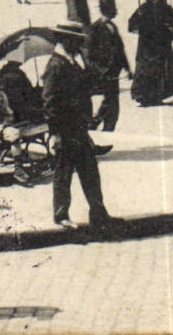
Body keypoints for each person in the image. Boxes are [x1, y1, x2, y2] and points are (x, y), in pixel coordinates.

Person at [42, 21, 115, 232]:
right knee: (64, 173)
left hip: (78, 129)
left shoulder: (72, 62)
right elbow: (49, 102)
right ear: (65, 40)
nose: (79, 45)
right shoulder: (55, 65)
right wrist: (55, 133)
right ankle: (61, 215)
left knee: (90, 172)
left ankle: (99, 214)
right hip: (65, 130)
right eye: (75, 41)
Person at [127, 0, 173, 107]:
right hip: (146, 46)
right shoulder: (143, 8)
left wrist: (171, 30)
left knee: (161, 70)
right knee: (145, 70)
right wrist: (139, 23)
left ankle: (158, 96)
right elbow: (131, 24)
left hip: (161, 45)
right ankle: (144, 97)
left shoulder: (165, 8)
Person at [85, 0, 131, 132]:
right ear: (107, 11)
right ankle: (99, 125)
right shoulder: (94, 29)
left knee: (112, 104)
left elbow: (120, 50)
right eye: (113, 9)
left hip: (113, 72)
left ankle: (100, 124)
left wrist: (127, 68)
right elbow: (88, 55)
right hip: (102, 73)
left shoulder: (113, 27)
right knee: (111, 103)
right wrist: (99, 70)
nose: (116, 11)